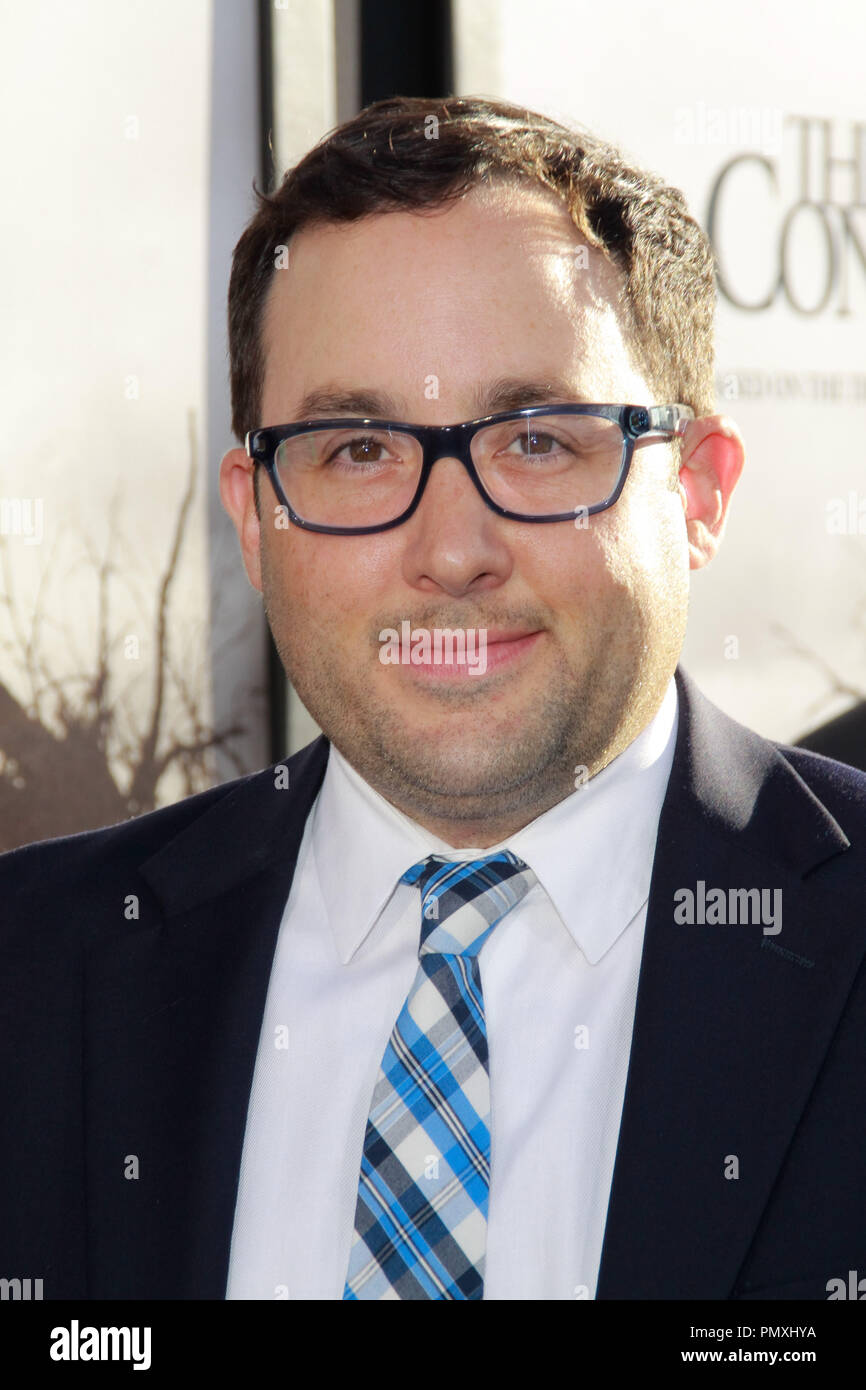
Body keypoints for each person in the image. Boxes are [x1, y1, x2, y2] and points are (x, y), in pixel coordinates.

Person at [2, 95, 865, 1302]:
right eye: (356, 450)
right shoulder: (32, 971)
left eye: (538, 441)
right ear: (255, 518)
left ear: (700, 495)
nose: (449, 547)